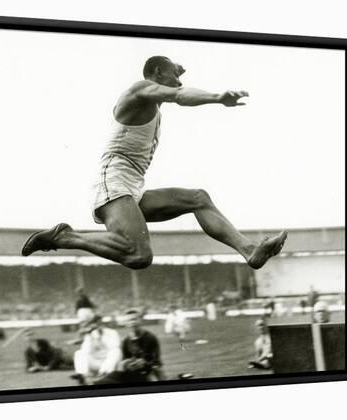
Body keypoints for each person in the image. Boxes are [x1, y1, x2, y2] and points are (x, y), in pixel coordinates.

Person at [22, 56, 287, 270]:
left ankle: (250, 251)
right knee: (139, 256)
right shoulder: (138, 90)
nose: (179, 82)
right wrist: (217, 98)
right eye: (175, 76)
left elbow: (174, 90)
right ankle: (65, 237)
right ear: (158, 73)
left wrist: (176, 73)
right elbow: (179, 96)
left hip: (132, 185)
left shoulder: (153, 101)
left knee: (198, 198)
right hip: (113, 181)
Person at [71, 314, 122, 385]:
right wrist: (89, 337)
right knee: (79, 353)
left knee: (116, 351)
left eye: (99, 322)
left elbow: (114, 347)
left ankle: (104, 374)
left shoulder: (112, 332)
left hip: (109, 362)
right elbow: (86, 351)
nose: (98, 325)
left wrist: (100, 338)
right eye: (95, 323)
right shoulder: (90, 335)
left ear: (102, 323)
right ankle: (82, 375)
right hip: (96, 362)